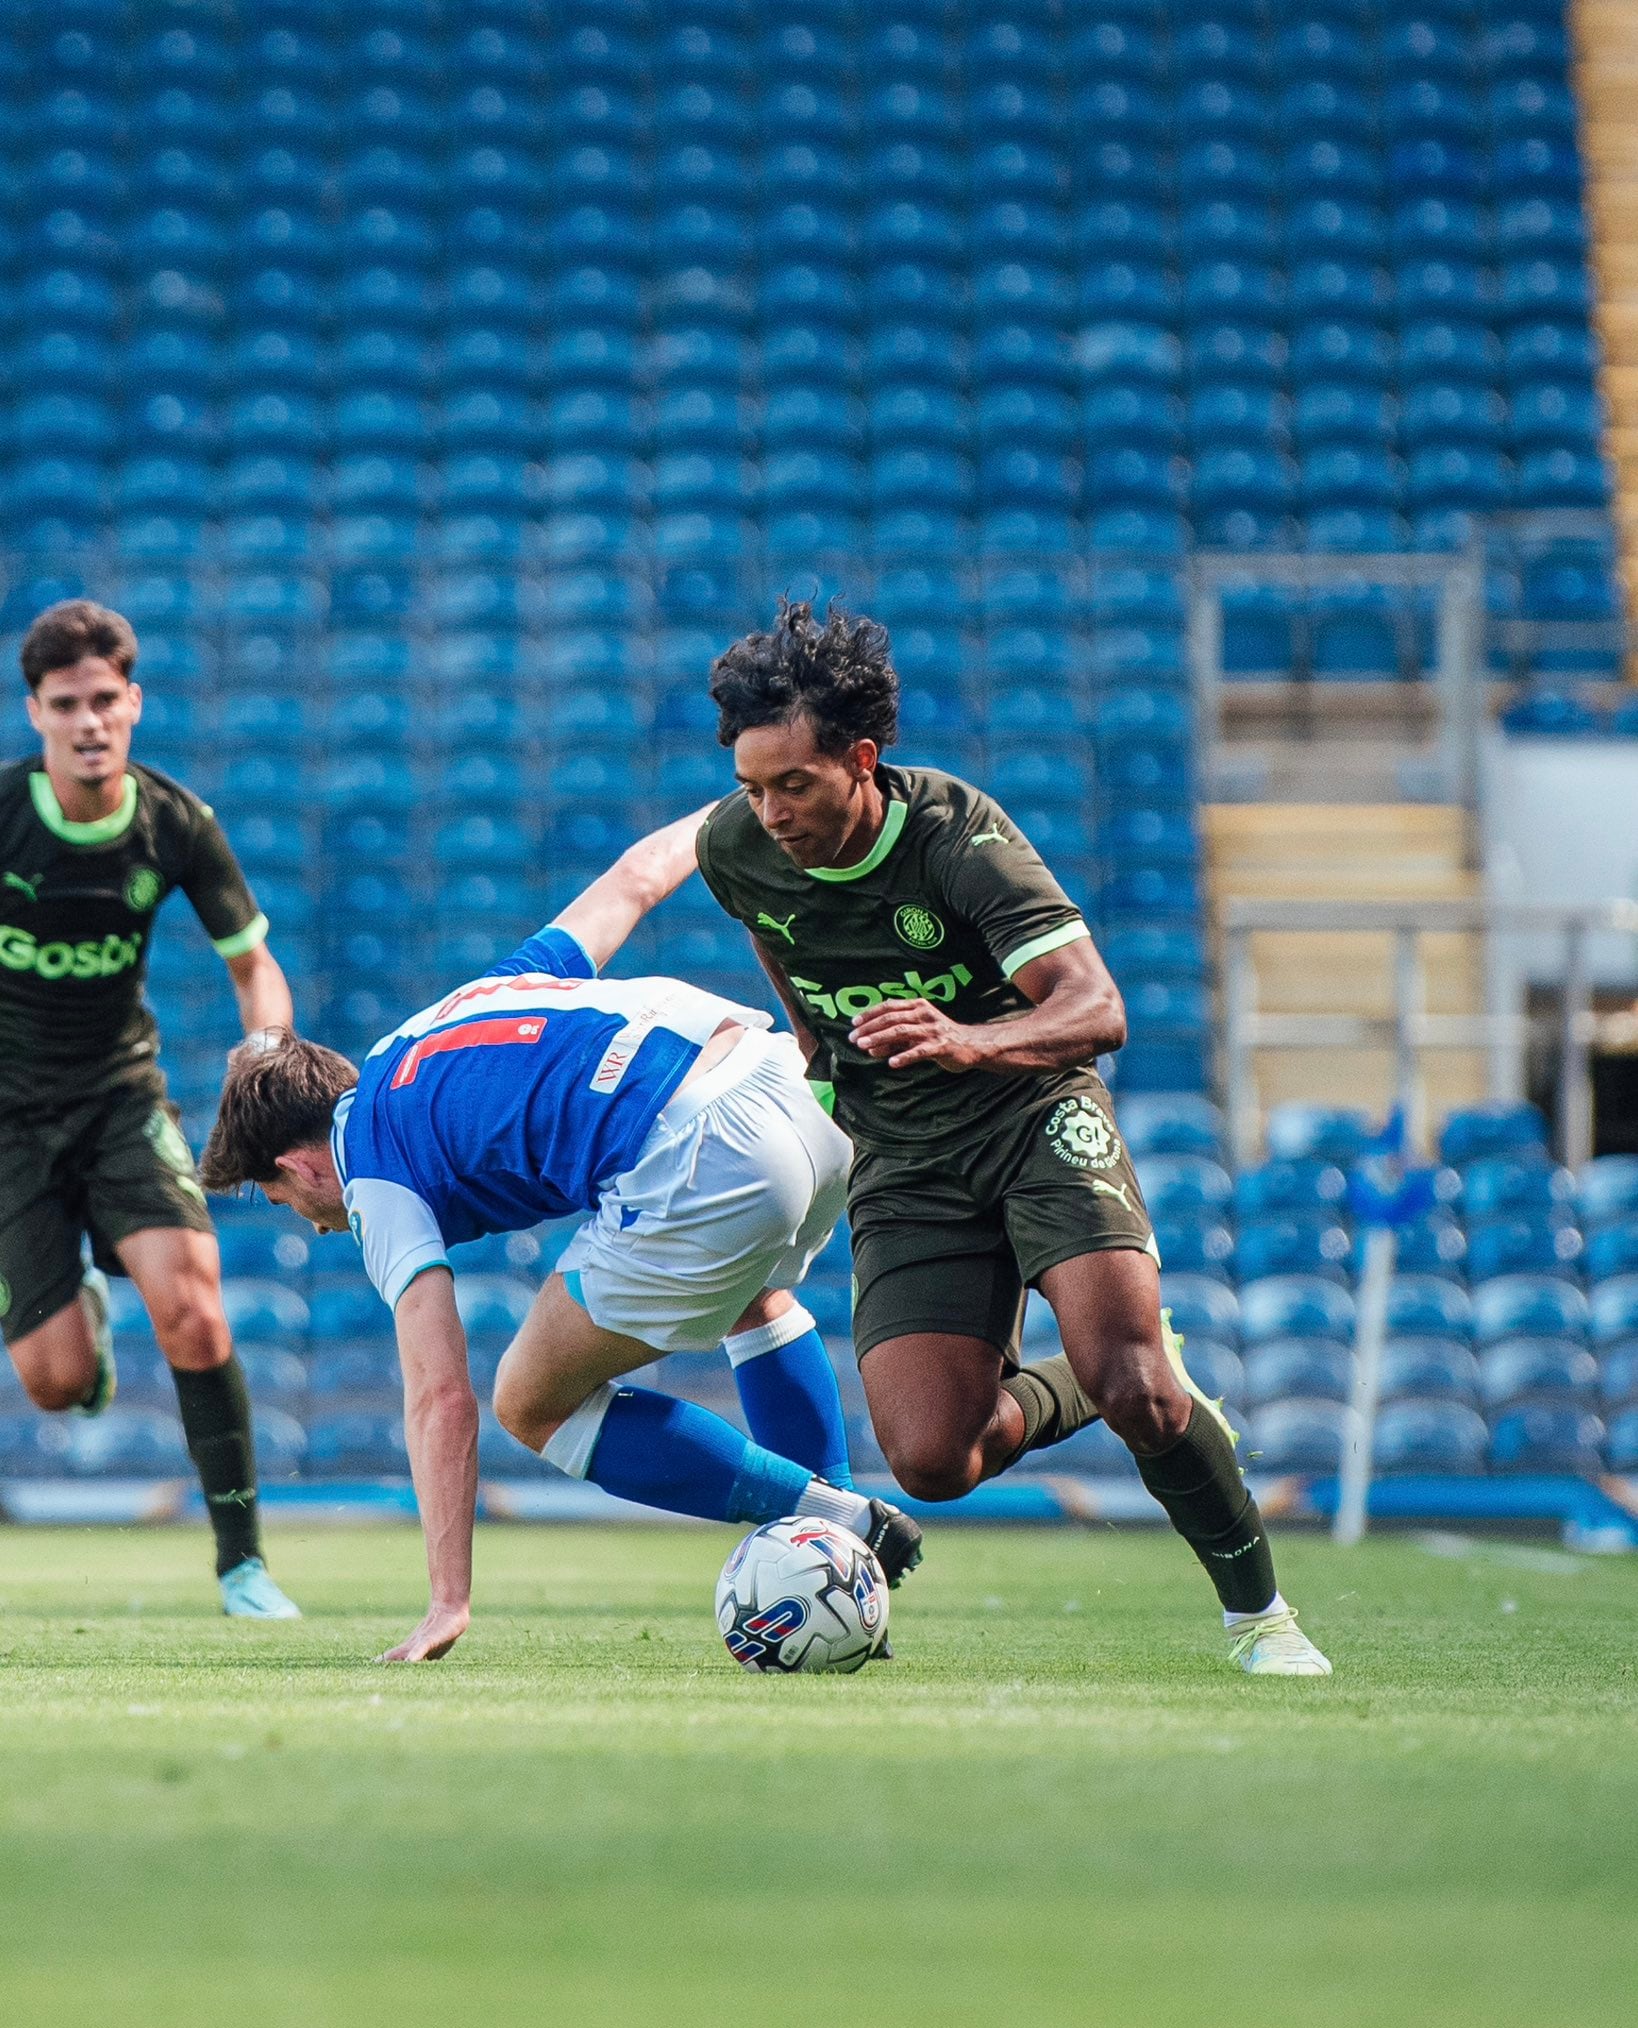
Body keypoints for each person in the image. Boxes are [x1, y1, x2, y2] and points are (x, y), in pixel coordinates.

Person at [691, 598, 1331, 1676]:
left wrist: (967, 1039)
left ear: (862, 759)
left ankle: (1261, 1619)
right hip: (903, 1151)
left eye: (793, 784)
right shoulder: (735, 848)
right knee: (934, 1458)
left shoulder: (960, 838)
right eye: (754, 787)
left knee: (1141, 1386)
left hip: (1032, 1113)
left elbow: (1097, 1007)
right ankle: (1085, 1377)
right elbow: (777, 936)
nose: (772, 810)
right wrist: (812, 1048)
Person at [199, 809, 922, 1664]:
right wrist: (741, 804)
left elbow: (441, 1399)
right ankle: (847, 1564)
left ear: (297, 1164)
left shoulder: (370, 1168)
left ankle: (832, 1517)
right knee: (753, 1300)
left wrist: (447, 1601)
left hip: (700, 1150)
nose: (311, 1228)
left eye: (284, 1203)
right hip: (798, 1089)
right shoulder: (465, 1007)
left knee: (529, 1401)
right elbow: (635, 879)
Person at [0, 600, 300, 1618]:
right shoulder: (4, 818)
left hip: (122, 1098)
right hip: (10, 1124)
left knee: (194, 1306)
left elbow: (256, 965)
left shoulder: (176, 822)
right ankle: (73, 1312)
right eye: (66, 703)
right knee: (52, 1383)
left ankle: (244, 1565)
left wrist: (262, 1054)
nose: (89, 721)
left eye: (105, 701)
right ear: (36, 712)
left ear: (134, 703)